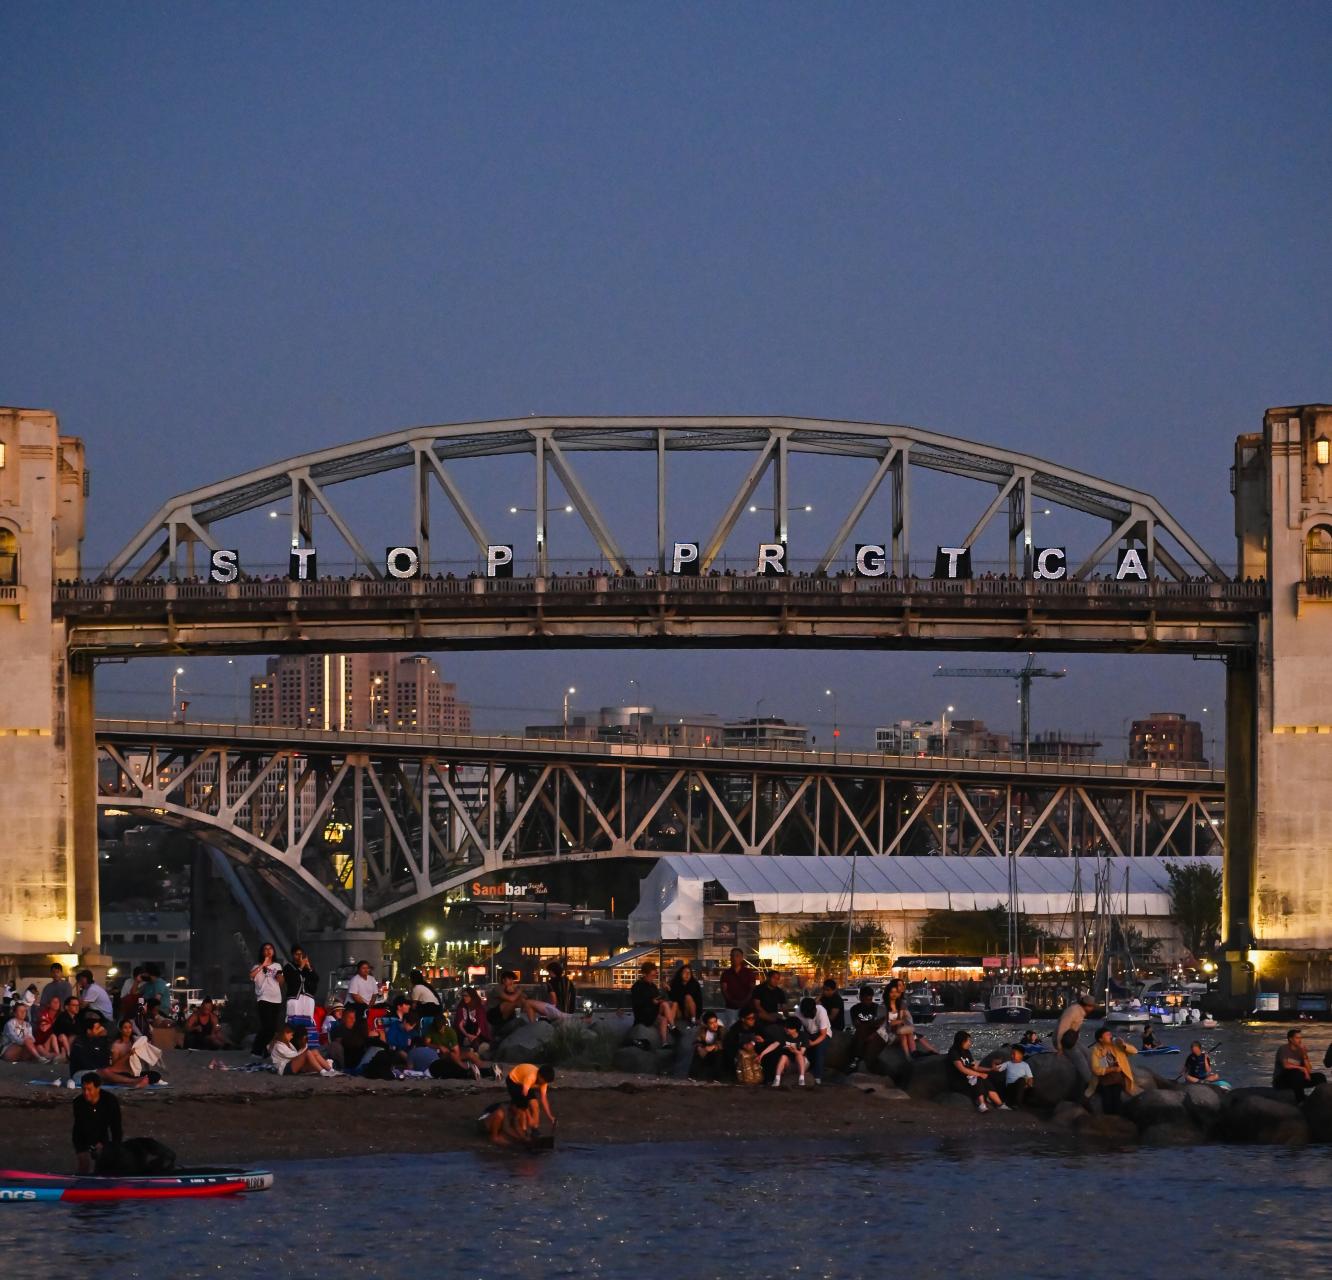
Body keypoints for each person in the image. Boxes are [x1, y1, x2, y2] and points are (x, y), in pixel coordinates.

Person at [72, 1073, 124, 1174]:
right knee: (84, 1163)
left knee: (104, 1163)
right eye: (83, 1089)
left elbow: (116, 1127)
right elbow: (83, 1126)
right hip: (82, 1135)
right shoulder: (78, 1102)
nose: (86, 1093)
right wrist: (92, 1146)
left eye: (89, 1089)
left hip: (102, 1133)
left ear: (98, 1088)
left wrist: (109, 1146)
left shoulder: (110, 1101)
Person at [947, 1030, 1004, 1112]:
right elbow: (962, 1069)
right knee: (978, 1078)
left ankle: (999, 1104)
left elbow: (975, 1067)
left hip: (969, 1077)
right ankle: (982, 1104)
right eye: (968, 1041)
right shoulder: (954, 1052)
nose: (970, 1043)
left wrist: (990, 1069)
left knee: (985, 1079)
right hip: (959, 1079)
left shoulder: (967, 1052)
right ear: (962, 1041)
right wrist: (979, 1074)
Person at [1087, 1027, 1138, 1115]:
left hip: (1118, 1078)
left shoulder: (1117, 1046)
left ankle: (1117, 1116)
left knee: (1116, 1095)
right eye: (1107, 1035)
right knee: (1107, 1097)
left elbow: (1134, 1051)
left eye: (1110, 1034)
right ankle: (1109, 1117)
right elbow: (1096, 1069)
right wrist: (1112, 1069)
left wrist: (1124, 1044)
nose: (1110, 1036)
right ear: (1101, 1039)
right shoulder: (1096, 1050)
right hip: (1104, 1078)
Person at [250, 942, 285, 1057]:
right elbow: (251, 976)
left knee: (273, 1027)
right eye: (265, 948)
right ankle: (256, 1050)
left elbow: (281, 982)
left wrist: (279, 977)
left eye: (270, 948)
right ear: (262, 952)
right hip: (263, 998)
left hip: (276, 999)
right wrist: (263, 965)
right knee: (267, 1026)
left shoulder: (277, 966)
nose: (268, 950)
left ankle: (266, 1050)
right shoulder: (256, 967)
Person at [1272, 1028, 1326, 1101]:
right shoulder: (1284, 1048)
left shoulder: (1300, 1050)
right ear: (1291, 1039)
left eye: (1300, 1038)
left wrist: (1304, 1054)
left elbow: (1309, 1070)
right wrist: (1303, 1069)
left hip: (1298, 1079)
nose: (1300, 1040)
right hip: (1282, 1080)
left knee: (1320, 1077)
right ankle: (1300, 1101)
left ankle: (1320, 1100)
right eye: (1297, 1038)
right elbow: (1286, 1065)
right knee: (1296, 1073)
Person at [629, 962, 678, 1041]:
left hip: (653, 1010)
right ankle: (672, 1027)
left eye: (655, 975)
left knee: (671, 1004)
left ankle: (665, 1042)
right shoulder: (637, 986)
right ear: (644, 974)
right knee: (665, 1005)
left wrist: (665, 992)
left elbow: (657, 997)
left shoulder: (653, 986)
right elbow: (637, 1003)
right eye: (652, 975)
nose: (654, 977)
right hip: (644, 1014)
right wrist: (651, 1001)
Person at [760, 1015, 810, 1088]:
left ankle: (801, 1079)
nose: (785, 1029)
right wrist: (762, 1054)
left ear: (795, 1029)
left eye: (788, 1028)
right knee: (783, 1056)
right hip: (789, 1064)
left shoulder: (803, 1036)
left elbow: (801, 1053)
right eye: (785, 1027)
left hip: (803, 1063)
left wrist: (794, 1051)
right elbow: (774, 1044)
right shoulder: (784, 1035)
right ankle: (777, 1080)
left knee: (799, 1055)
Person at [506, 1062, 556, 1133]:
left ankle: (535, 1129)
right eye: (543, 1081)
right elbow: (524, 1097)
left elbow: (544, 1099)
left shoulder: (544, 1081)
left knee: (535, 1105)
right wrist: (529, 1117)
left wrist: (550, 1116)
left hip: (526, 1084)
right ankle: (524, 1131)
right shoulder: (531, 1077)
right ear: (539, 1075)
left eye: (546, 1082)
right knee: (522, 1110)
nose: (544, 1083)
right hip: (514, 1081)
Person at [270, 1024, 337, 1076]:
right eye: (291, 1035)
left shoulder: (288, 1044)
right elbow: (293, 1055)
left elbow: (296, 1054)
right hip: (285, 1068)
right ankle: (323, 1072)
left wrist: (304, 1048)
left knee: (314, 1052)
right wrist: (304, 1048)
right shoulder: (278, 1045)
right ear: (285, 1033)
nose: (292, 1037)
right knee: (308, 1053)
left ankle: (331, 1070)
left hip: (291, 1064)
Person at [796, 996, 832, 1083]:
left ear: (814, 1009)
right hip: (808, 1032)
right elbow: (798, 1030)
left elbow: (823, 1034)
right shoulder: (798, 1012)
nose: (809, 1017)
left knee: (819, 1050)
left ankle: (817, 1077)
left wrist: (812, 1043)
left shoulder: (821, 1011)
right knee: (801, 1049)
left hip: (822, 1033)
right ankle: (803, 1070)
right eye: (806, 1015)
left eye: (811, 1014)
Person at [847, 985, 881, 1068]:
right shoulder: (854, 1009)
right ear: (860, 998)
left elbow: (880, 1024)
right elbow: (856, 1024)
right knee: (858, 1036)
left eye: (870, 999)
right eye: (866, 999)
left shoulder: (876, 1007)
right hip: (862, 1031)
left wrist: (872, 1029)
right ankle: (856, 1059)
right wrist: (871, 1024)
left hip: (875, 1031)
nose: (868, 1002)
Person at [721, 1008, 761, 1075]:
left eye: (754, 1018)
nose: (753, 1020)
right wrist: (743, 1045)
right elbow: (729, 1043)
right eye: (750, 1018)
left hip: (754, 1053)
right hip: (739, 1056)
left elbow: (763, 1037)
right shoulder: (735, 1028)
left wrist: (757, 1041)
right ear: (743, 1019)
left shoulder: (756, 1026)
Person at [453, 987, 492, 1056]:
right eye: (463, 996)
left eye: (466, 996)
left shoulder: (479, 1008)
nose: (464, 998)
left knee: (477, 1042)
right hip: (464, 1034)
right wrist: (468, 1035)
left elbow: (481, 1024)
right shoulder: (462, 1007)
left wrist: (475, 1036)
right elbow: (460, 1025)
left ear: (472, 996)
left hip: (478, 1034)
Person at [752, 969, 788, 1040]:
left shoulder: (779, 991)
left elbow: (783, 1007)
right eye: (774, 978)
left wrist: (787, 1018)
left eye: (778, 979)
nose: (776, 981)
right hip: (761, 1015)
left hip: (773, 1015)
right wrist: (768, 1016)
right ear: (768, 978)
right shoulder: (759, 989)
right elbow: (757, 1006)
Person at [282, 945, 320, 1010]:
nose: (300, 956)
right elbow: (292, 980)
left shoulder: (307, 967)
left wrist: (309, 967)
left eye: (301, 954)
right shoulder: (288, 967)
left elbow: (316, 979)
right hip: (294, 997)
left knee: (307, 1016)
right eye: (297, 954)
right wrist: (301, 967)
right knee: (294, 1015)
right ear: (293, 955)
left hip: (308, 997)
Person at [691, 1011, 725, 1081]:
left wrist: (713, 1047)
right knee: (697, 1051)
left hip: (719, 1052)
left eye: (715, 1022)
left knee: (718, 1054)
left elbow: (724, 1043)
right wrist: (699, 1047)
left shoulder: (721, 1029)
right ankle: (693, 1076)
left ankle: (717, 1078)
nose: (715, 1025)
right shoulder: (702, 1030)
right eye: (711, 1023)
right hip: (706, 1051)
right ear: (706, 1025)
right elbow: (696, 1041)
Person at [50, 995, 83, 1060]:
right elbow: (67, 1030)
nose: (77, 1007)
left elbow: (80, 1031)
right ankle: (69, 1055)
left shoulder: (77, 1017)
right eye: (74, 1005)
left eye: (78, 1005)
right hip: (59, 1042)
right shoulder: (62, 1017)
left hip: (71, 1042)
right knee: (71, 1036)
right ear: (67, 1007)